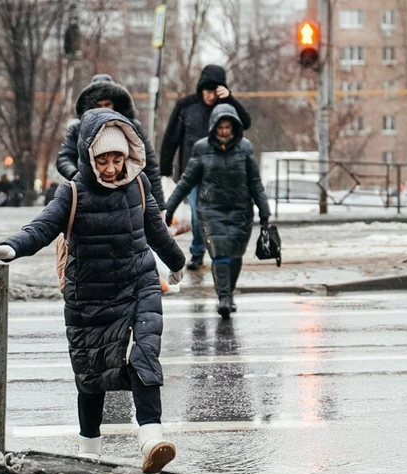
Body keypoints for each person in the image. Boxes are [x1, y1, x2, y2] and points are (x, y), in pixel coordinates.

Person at [0, 109, 186, 474]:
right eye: (103, 160)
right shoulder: (73, 191)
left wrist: (177, 261)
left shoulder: (138, 186)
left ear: (129, 156)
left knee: (143, 355)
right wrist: (12, 247)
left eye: (118, 159)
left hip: (137, 285)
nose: (111, 169)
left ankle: (151, 438)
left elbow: (157, 231)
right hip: (89, 297)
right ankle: (88, 450)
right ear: (89, 158)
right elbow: (42, 227)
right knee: (91, 377)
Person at [164, 104, 270, 319]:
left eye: (227, 127)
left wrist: (265, 212)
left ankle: (228, 292)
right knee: (220, 253)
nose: (224, 131)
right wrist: (170, 207)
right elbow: (186, 181)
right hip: (211, 211)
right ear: (213, 127)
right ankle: (224, 297)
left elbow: (255, 182)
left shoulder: (245, 148)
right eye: (220, 127)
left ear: (234, 127)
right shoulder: (202, 148)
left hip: (241, 211)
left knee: (235, 255)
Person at [160, 65, 252, 271]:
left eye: (215, 91)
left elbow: (245, 123)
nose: (210, 96)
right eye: (207, 91)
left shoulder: (226, 108)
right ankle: (197, 252)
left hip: (222, 173)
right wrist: (165, 168)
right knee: (197, 213)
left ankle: (220, 253)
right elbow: (171, 137)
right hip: (192, 171)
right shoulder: (186, 106)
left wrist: (229, 98)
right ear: (201, 88)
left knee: (219, 216)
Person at [57, 74, 166, 208]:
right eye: (99, 105)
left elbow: (148, 165)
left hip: (124, 192)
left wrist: (160, 206)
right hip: (88, 193)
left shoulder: (130, 128)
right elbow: (64, 158)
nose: (103, 108)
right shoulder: (78, 128)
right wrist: (79, 176)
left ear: (115, 103)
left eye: (107, 104)